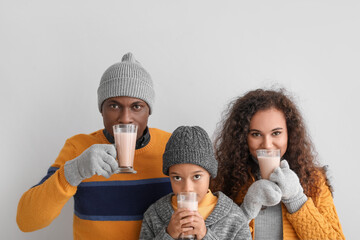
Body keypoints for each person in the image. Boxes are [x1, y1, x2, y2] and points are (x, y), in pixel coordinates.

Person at [16, 53, 173, 240]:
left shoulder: (171, 146)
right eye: (114, 106)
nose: (125, 118)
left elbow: (205, 206)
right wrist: (73, 172)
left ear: (149, 111)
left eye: (136, 106)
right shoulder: (78, 148)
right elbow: (26, 221)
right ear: (101, 109)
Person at [211, 89, 345, 240]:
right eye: (256, 134)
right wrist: (245, 212)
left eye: (276, 133)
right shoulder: (223, 180)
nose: (267, 145)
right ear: (243, 137)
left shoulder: (315, 181)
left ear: (290, 133)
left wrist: (297, 199)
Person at [139, 126, 252, 240]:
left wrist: (205, 235)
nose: (187, 188)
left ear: (210, 174)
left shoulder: (234, 218)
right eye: (177, 178)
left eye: (196, 176)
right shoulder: (154, 215)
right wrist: (168, 235)